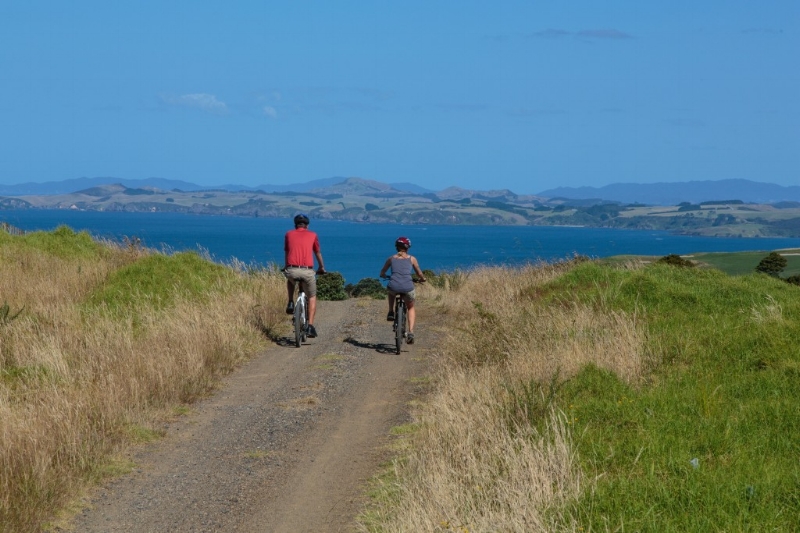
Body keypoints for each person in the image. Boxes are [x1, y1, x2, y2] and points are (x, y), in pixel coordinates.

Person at [284, 213, 326, 338]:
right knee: (312, 296)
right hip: (307, 271)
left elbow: (287, 252)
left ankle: (291, 302)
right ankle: (311, 326)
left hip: (292, 269)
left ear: (295, 225)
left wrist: (287, 266)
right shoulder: (313, 235)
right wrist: (322, 267)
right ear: (307, 225)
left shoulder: (288, 234)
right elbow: (317, 252)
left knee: (290, 280)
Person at [379, 236, 426, 344]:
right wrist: (423, 279)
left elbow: (382, 272)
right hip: (408, 287)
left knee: (391, 292)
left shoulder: (391, 258)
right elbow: (419, 273)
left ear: (396, 247)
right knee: (410, 307)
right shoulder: (412, 259)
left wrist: (384, 275)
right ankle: (411, 332)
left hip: (394, 286)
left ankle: (391, 311)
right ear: (408, 247)